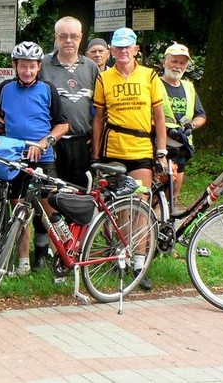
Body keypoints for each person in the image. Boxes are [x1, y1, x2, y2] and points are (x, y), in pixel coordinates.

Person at [0, 42, 69, 275]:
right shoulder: (4, 89)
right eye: (23, 66)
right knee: (19, 210)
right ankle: (23, 264)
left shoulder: (47, 89)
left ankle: (62, 260)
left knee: (50, 209)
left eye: (32, 67)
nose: (27, 71)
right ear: (15, 66)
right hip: (14, 156)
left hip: (43, 157)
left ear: (38, 67)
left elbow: (63, 125)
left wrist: (45, 143)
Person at [91, 27, 167, 290]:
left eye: (128, 47)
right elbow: (99, 118)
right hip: (114, 151)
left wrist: (162, 149)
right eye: (118, 47)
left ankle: (139, 262)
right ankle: (121, 258)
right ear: (112, 50)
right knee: (121, 208)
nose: (123, 51)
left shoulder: (150, 76)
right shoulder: (104, 79)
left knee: (141, 207)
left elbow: (159, 116)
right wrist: (95, 155)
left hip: (142, 150)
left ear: (136, 49)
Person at [40, 16, 99, 188]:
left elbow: (101, 107)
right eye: (63, 36)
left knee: (80, 195)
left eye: (73, 36)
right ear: (55, 37)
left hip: (82, 143)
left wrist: (95, 140)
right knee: (51, 194)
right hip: (52, 142)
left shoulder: (91, 67)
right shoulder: (43, 64)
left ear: (81, 37)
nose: (68, 41)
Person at [160, 42, 206, 211]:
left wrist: (191, 125)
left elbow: (201, 115)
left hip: (182, 146)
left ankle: (168, 230)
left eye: (182, 63)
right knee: (158, 192)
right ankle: (148, 229)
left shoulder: (189, 87)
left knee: (174, 194)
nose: (178, 66)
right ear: (164, 62)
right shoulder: (155, 84)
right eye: (174, 61)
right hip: (161, 145)